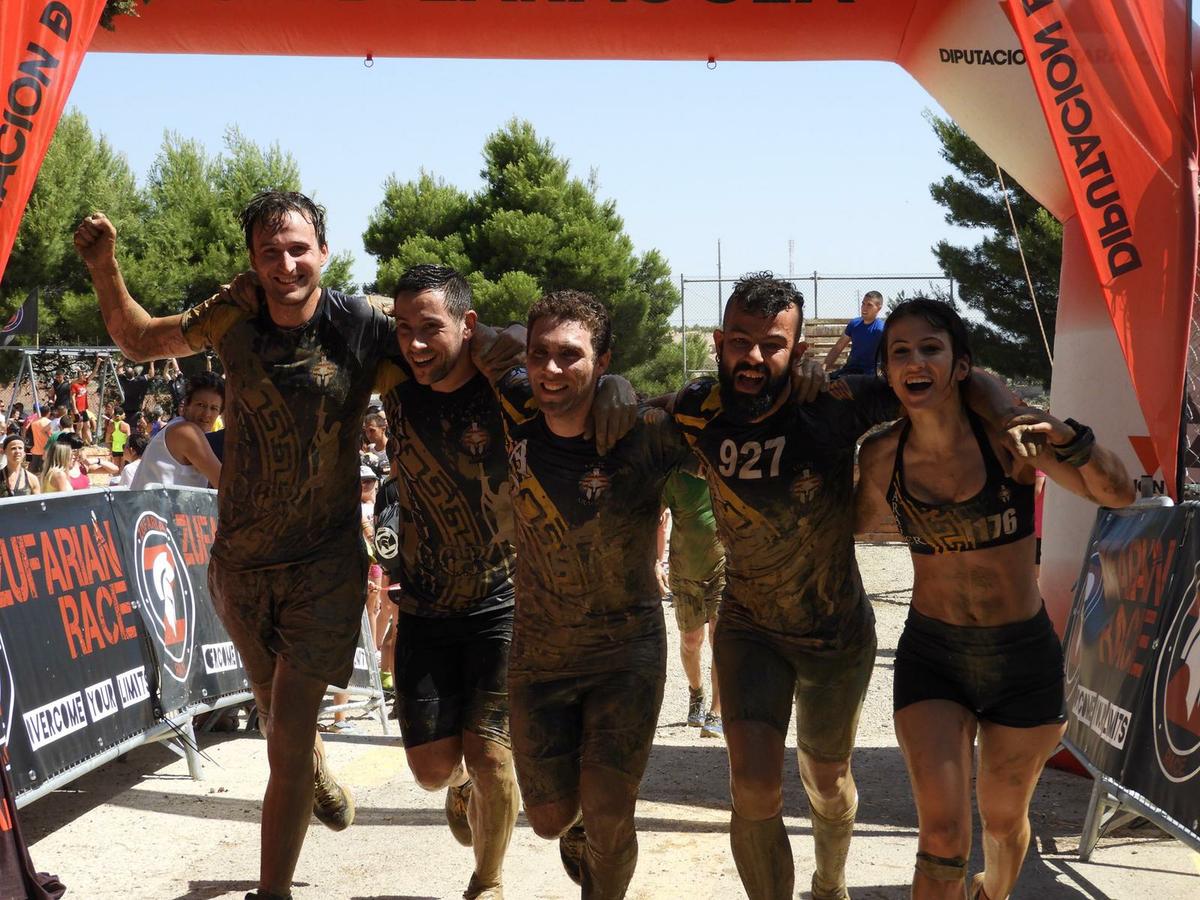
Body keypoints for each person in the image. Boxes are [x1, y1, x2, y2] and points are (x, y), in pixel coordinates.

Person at [75, 190, 403, 900]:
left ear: (323, 250)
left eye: (298, 249)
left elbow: (448, 356)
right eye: (268, 252)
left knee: (284, 732)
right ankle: (310, 770)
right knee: (276, 716)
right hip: (242, 566)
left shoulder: (361, 326)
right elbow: (138, 339)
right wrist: (105, 266)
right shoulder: (235, 315)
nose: (285, 265)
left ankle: (272, 890)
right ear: (251, 259)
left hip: (324, 565)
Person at [665, 274, 1020, 900]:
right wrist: (610, 387)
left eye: (772, 345)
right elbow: (612, 412)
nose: (753, 358)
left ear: (797, 351)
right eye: (740, 341)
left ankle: (829, 885)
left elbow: (947, 381)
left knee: (827, 781)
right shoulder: (696, 406)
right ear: (719, 341)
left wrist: (1008, 406)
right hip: (749, 626)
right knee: (751, 786)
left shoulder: (836, 399)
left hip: (834, 633)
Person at [853, 299, 1133, 900]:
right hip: (935, 655)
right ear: (888, 373)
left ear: (960, 366)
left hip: (1022, 659)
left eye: (931, 347)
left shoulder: (1012, 442)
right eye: (899, 352)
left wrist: (1068, 437)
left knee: (1003, 826)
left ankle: (992, 893)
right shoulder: (882, 456)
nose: (914, 361)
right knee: (944, 833)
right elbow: (842, 526)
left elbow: (1119, 493)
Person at [479, 289, 679, 899]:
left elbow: (720, 416)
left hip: (626, 652)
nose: (551, 369)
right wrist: (518, 336)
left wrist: (624, 389)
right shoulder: (516, 398)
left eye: (572, 356)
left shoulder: (645, 432)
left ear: (603, 358)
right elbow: (485, 336)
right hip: (539, 653)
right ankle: (578, 828)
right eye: (542, 354)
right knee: (547, 818)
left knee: (612, 811)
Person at [371, 265, 529, 900]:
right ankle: (459, 785)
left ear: (467, 326)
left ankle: (487, 883)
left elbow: (533, 338)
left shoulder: (504, 387)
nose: (415, 343)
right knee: (433, 772)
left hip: (501, 600)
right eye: (404, 329)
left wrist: (502, 336)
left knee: (493, 755)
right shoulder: (394, 382)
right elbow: (336, 316)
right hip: (427, 604)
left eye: (430, 329)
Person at [658, 463, 725, 738]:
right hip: (685, 571)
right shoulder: (673, 476)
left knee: (719, 637)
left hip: (722, 566)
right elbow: (658, 522)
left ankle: (717, 712)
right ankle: (696, 692)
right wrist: (656, 562)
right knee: (690, 641)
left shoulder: (722, 471)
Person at [129, 372, 224, 490]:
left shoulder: (176, 426)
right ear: (186, 406)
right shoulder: (186, 432)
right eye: (201, 405)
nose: (207, 414)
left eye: (214, 408)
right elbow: (225, 485)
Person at [823, 290, 884, 378]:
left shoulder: (881, 329)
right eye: (863, 304)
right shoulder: (854, 324)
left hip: (868, 376)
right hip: (848, 371)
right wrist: (823, 368)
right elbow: (838, 348)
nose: (864, 308)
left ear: (879, 308)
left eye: (869, 305)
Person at [68, 357, 99, 445]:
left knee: (87, 425)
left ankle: (91, 442)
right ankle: (79, 443)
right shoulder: (74, 385)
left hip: (84, 409)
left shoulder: (84, 383)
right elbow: (72, 397)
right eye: (82, 375)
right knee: (79, 426)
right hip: (78, 409)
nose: (84, 376)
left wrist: (98, 363)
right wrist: (75, 409)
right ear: (79, 376)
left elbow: (93, 374)